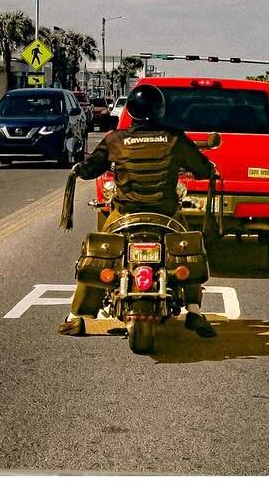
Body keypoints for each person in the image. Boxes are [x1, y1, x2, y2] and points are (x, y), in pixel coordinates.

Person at [57, 83, 218, 338]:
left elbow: (90, 169)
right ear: (160, 110)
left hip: (125, 214)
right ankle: (195, 311)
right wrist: (206, 169)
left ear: (130, 111)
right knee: (188, 249)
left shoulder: (115, 140)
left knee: (100, 251)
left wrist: (79, 168)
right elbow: (202, 168)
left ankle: (76, 316)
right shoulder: (175, 138)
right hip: (166, 214)